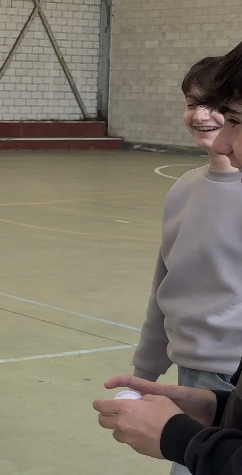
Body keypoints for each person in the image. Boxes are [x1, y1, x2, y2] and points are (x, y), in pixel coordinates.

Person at [96, 42, 242, 474]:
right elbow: (165, 287)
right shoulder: (182, 190)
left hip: (229, 371)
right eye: (192, 103)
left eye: (226, 112)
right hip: (198, 377)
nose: (202, 115)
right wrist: (146, 371)